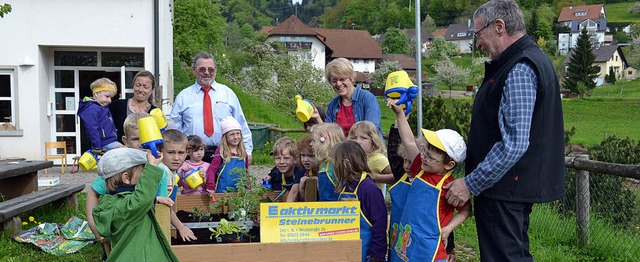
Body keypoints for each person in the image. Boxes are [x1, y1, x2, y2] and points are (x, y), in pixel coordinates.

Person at [443, 1, 566, 261]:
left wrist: (470, 183)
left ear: (499, 26)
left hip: (505, 189)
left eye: (479, 34)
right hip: (507, 187)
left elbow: (514, 143)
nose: (477, 44)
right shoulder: (520, 62)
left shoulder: (520, 67)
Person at [387, 99, 471, 262]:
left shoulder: (450, 187)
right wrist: (399, 114)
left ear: (449, 165)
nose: (423, 157)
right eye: (424, 152)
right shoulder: (420, 168)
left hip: (430, 252)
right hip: (405, 246)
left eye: (430, 157)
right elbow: (409, 141)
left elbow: (466, 210)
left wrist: (448, 229)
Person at [91, 148, 178, 261]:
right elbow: (140, 199)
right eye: (143, 171)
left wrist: (155, 199)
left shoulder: (116, 203)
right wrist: (151, 168)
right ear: (126, 178)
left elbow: (139, 201)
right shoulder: (128, 207)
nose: (145, 174)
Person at [171, 52, 253, 163]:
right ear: (194, 70)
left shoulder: (228, 94)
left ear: (216, 70)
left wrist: (247, 152)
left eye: (210, 69)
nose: (206, 73)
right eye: (202, 69)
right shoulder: (183, 97)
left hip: (225, 154)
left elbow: (241, 124)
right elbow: (175, 131)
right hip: (192, 157)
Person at [331, 140, 387, 262]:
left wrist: (377, 255)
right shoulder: (347, 186)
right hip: (349, 250)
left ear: (345, 163)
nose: (333, 166)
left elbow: (380, 224)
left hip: (367, 253)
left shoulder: (369, 189)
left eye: (335, 163)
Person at [310, 58, 382, 138]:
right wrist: (317, 118)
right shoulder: (333, 104)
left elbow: (370, 131)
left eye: (342, 79)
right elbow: (328, 135)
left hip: (366, 149)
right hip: (341, 149)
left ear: (351, 78)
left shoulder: (368, 99)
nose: (338, 84)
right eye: (334, 81)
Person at [157, 129, 197, 242]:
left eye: (180, 153)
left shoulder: (170, 171)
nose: (176, 158)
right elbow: (163, 206)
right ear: (160, 152)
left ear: (186, 153)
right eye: (170, 152)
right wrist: (181, 227)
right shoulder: (162, 172)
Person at [109, 70, 158, 144]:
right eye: (138, 85)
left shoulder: (154, 112)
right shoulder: (117, 106)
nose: (141, 90)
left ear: (152, 89)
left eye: (145, 87)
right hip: (118, 152)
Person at [348, 121, 394, 196]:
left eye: (363, 138)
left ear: (373, 142)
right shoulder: (352, 158)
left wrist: (375, 177)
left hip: (372, 201)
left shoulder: (378, 159)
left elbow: (396, 176)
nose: (358, 141)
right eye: (354, 138)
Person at [77, 77, 123, 153]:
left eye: (111, 98)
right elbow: (92, 129)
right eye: (107, 96)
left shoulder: (102, 108)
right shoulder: (92, 109)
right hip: (104, 144)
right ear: (96, 94)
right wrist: (97, 147)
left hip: (110, 142)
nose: (109, 100)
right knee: (125, 153)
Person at [205, 116, 249, 193]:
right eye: (232, 134)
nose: (236, 137)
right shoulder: (221, 152)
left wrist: (248, 188)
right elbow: (212, 170)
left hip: (239, 192)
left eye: (238, 133)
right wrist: (211, 186)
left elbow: (246, 173)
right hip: (222, 191)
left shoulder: (243, 153)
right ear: (225, 137)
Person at [310, 123, 345, 201]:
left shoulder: (326, 169)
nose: (311, 144)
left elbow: (326, 197)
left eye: (313, 141)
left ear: (324, 143)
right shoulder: (341, 163)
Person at [264, 137, 306, 202]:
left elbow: (294, 191)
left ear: (295, 159)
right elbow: (270, 176)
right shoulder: (276, 170)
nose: (281, 162)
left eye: (286, 158)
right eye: (278, 158)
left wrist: (285, 209)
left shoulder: (299, 170)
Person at [297, 134, 319, 201]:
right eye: (303, 155)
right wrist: (302, 189)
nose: (305, 160)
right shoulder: (307, 172)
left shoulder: (325, 173)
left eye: (311, 156)